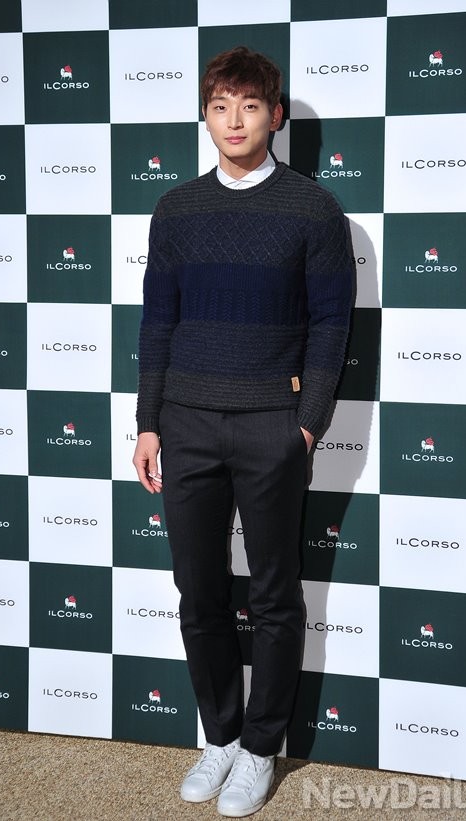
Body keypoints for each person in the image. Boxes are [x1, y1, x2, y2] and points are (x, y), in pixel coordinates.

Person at [133, 45, 353, 818]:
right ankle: (221, 734)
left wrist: (306, 426)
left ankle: (261, 747)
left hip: (270, 426)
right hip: (185, 424)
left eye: (250, 106)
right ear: (206, 115)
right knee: (197, 591)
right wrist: (148, 423)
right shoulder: (176, 209)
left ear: (275, 115)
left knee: (274, 593)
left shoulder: (314, 209)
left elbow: (332, 325)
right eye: (221, 106)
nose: (235, 120)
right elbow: (157, 322)